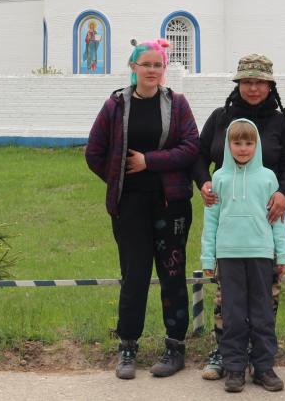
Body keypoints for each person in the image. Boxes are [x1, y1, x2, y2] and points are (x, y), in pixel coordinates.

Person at [84, 38, 199, 380]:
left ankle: (175, 347)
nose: (152, 70)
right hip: (130, 205)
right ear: (133, 68)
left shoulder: (177, 104)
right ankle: (128, 348)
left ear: (165, 70)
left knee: (173, 275)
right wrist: (118, 175)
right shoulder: (115, 106)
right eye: (145, 64)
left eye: (157, 65)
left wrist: (149, 161)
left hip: (171, 204)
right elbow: (94, 152)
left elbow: (191, 147)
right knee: (134, 276)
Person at [193, 53, 285, 381]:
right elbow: (198, 157)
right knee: (229, 305)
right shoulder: (220, 117)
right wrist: (205, 183)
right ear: (238, 84)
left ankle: (263, 361)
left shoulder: (283, 123)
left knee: (264, 305)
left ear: (269, 85)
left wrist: (283, 193)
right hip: (227, 225)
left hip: (266, 217)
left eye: (260, 82)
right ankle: (225, 356)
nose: (253, 88)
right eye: (247, 82)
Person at [201, 118, 285, 393]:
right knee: (233, 315)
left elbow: (278, 220)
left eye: (248, 143)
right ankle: (235, 368)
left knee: (263, 314)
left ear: (257, 145)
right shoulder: (219, 179)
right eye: (237, 143)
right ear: (228, 145)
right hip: (228, 257)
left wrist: (282, 254)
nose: (242, 149)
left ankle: (264, 367)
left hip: (261, 255)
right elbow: (211, 221)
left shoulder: (268, 178)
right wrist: (207, 259)